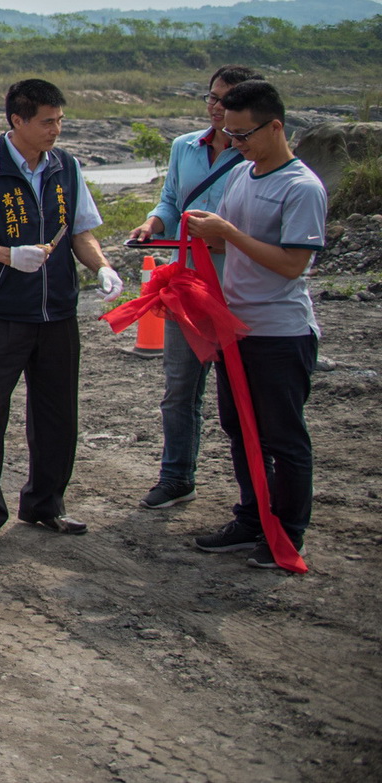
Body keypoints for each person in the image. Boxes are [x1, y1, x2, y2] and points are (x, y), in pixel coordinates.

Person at [0, 79, 122, 552]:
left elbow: (81, 230)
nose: (55, 130)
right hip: (2, 312)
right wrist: (7, 255)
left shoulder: (67, 167)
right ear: (17, 120)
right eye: (47, 121)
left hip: (58, 310)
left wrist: (101, 265)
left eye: (60, 120)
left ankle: (46, 502)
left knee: (57, 413)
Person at [183, 80, 327, 568]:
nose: (236, 144)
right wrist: (204, 236)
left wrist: (226, 232)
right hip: (236, 327)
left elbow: (291, 264)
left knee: (281, 437)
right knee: (240, 429)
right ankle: (251, 517)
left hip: (279, 332)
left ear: (276, 126)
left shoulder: (301, 187)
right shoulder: (245, 174)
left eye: (244, 135)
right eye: (231, 134)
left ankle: (287, 531)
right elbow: (227, 244)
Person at [127, 65, 263, 510]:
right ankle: (176, 476)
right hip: (187, 288)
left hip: (238, 290)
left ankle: (255, 497)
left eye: (227, 100)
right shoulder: (185, 147)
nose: (218, 108)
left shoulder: (256, 156)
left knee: (242, 398)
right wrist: (152, 223)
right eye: (212, 98)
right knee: (179, 388)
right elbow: (171, 199)